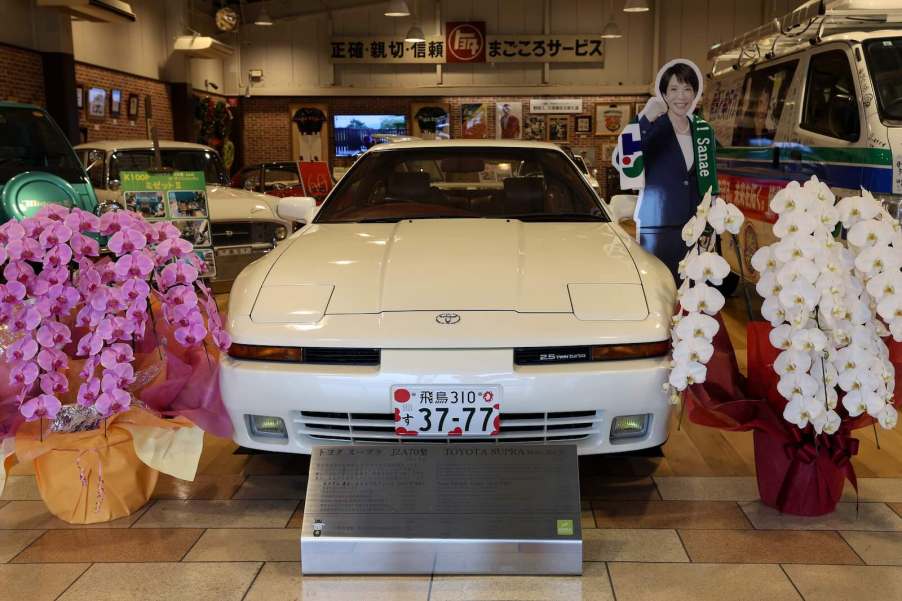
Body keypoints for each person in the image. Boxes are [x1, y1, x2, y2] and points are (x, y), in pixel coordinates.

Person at [634, 60, 718, 281]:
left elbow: (709, 180)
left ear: (695, 93)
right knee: (660, 287)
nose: (681, 96)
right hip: (659, 227)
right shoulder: (652, 127)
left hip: (695, 225)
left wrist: (710, 223)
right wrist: (645, 119)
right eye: (673, 89)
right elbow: (623, 159)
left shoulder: (703, 131)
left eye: (687, 89)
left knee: (694, 289)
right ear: (664, 94)